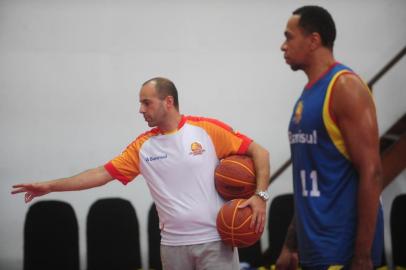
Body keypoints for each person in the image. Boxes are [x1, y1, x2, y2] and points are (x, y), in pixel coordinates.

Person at [11, 77, 270, 270]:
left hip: (215, 242)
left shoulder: (207, 130)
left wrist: (260, 195)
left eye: (146, 102)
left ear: (168, 102)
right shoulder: (142, 147)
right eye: (140, 103)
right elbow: (101, 173)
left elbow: (260, 152)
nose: (141, 110)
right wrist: (50, 186)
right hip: (172, 246)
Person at [276, 6, 383, 270]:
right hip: (313, 249)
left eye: (289, 37)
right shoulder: (308, 94)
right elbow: (308, 178)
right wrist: (290, 245)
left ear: (313, 40)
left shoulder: (345, 87)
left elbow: (373, 172)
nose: (282, 46)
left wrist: (362, 256)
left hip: (343, 251)